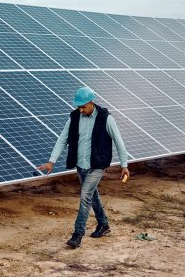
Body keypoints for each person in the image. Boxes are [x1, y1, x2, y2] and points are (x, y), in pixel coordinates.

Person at [37, 86, 129, 248]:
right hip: (81, 165)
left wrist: (124, 165)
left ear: (91, 102)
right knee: (92, 196)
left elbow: (119, 141)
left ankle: (78, 234)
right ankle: (104, 225)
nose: (80, 110)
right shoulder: (74, 117)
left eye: (83, 107)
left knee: (85, 196)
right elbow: (62, 139)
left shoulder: (106, 119)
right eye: (78, 107)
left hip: (97, 166)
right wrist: (52, 161)